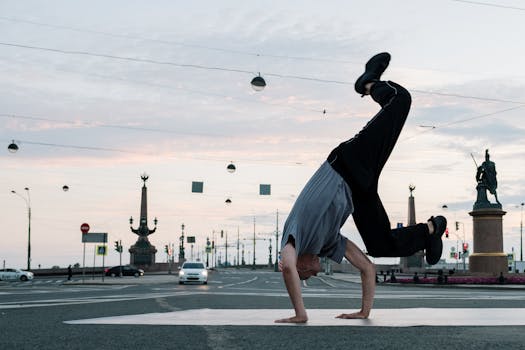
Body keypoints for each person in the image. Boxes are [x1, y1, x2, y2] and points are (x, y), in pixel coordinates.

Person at [275, 52, 447, 324]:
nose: (314, 274)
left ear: (299, 265)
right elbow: (367, 267)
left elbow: (286, 269)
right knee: (379, 245)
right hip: (358, 191)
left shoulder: (291, 240)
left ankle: (368, 84)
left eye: (307, 275)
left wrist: (300, 314)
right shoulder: (328, 244)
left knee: (400, 101)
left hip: (347, 163)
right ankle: (431, 230)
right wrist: (364, 310)